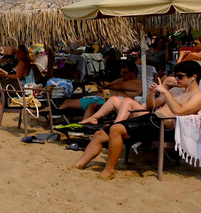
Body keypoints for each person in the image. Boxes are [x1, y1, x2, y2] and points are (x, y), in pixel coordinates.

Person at [73, 61, 201, 179]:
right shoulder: (176, 91)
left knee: (116, 128)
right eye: (176, 75)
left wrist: (166, 93)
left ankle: (109, 170)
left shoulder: (197, 96)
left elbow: (179, 111)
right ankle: (78, 165)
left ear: (193, 77)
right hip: (150, 120)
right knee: (99, 134)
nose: (176, 79)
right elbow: (151, 106)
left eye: (180, 76)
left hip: (162, 127)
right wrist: (152, 93)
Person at [58, 61, 142, 119]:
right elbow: (108, 86)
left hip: (109, 103)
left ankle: (82, 126)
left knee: (91, 107)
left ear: (133, 73)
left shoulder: (137, 83)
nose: (122, 74)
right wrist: (103, 88)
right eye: (121, 72)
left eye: (125, 72)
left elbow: (115, 86)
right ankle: (51, 119)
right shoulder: (121, 79)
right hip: (98, 98)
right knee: (67, 102)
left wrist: (106, 87)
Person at [0, 45, 31, 111]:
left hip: (17, 88)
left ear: (25, 52)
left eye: (20, 52)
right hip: (16, 86)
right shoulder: (22, 62)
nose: (18, 54)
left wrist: (5, 76)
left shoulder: (22, 62)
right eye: (16, 52)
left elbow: (18, 77)